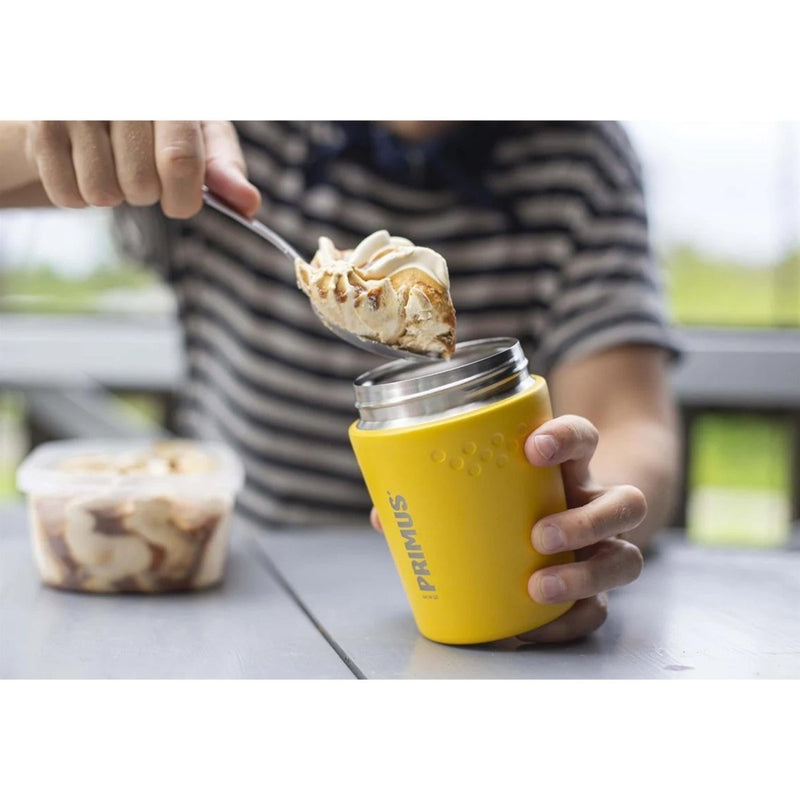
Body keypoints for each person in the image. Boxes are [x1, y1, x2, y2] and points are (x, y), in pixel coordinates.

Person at [0, 121, 681, 645]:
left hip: (490, 571)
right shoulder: (237, 117)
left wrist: (582, 527)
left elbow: (629, 422)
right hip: (237, 585)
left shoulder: (580, 153)